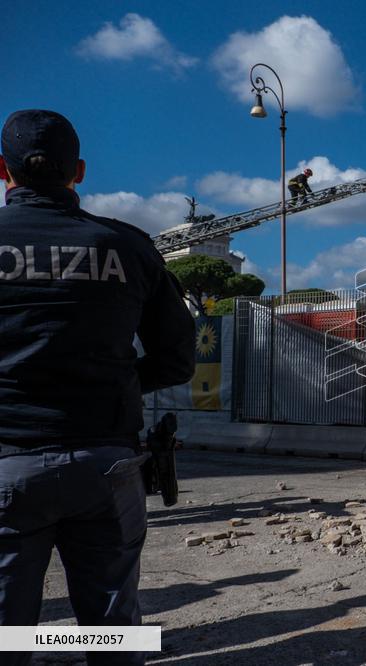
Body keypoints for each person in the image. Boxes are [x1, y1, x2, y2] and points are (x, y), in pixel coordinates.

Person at [0, 110, 195, 665]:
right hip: (107, 463)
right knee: (113, 628)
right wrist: (119, 381)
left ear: (2, 170)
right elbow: (178, 360)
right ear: (79, 172)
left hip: (6, 464)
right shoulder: (128, 246)